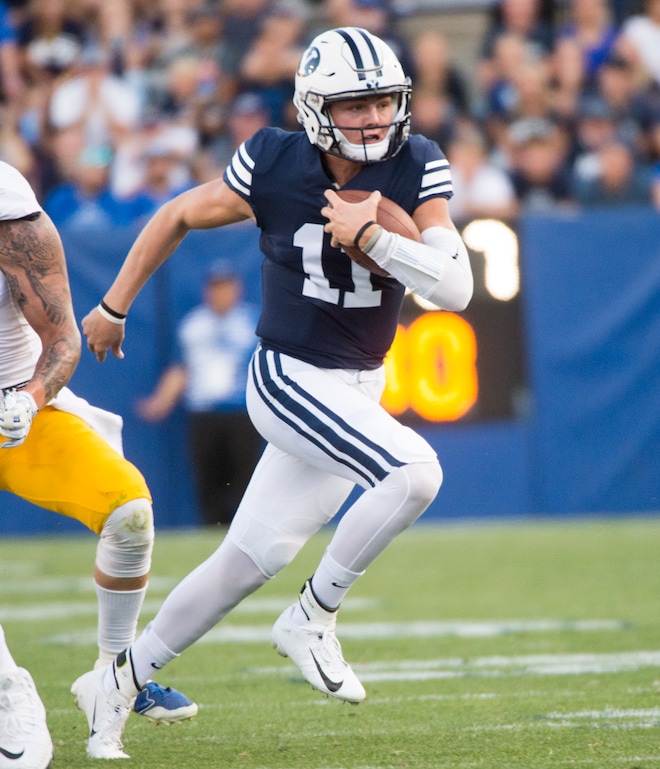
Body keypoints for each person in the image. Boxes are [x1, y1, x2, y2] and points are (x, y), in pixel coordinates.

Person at [75, 25, 473, 759]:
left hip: (357, 383)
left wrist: (380, 237)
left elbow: (455, 287)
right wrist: (113, 303)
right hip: (289, 374)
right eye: (356, 105)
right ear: (316, 107)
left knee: (247, 558)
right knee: (415, 471)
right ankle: (311, 616)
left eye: (384, 99)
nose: (375, 117)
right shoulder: (273, 160)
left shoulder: (416, 162)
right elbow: (177, 214)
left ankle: (118, 683)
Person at [0, 160, 197, 767]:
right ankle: (11, 695)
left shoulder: (8, 205)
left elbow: (62, 338)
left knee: (129, 510)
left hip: (10, 402)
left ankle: (112, 676)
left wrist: (28, 399)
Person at [137, 260, 262, 526]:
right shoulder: (193, 325)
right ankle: (211, 530)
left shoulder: (253, 322)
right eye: (215, 287)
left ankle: (243, 529)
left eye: (225, 287)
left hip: (242, 411)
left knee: (244, 476)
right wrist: (161, 401)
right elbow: (182, 368)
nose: (221, 293)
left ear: (237, 289)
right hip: (203, 411)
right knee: (208, 477)